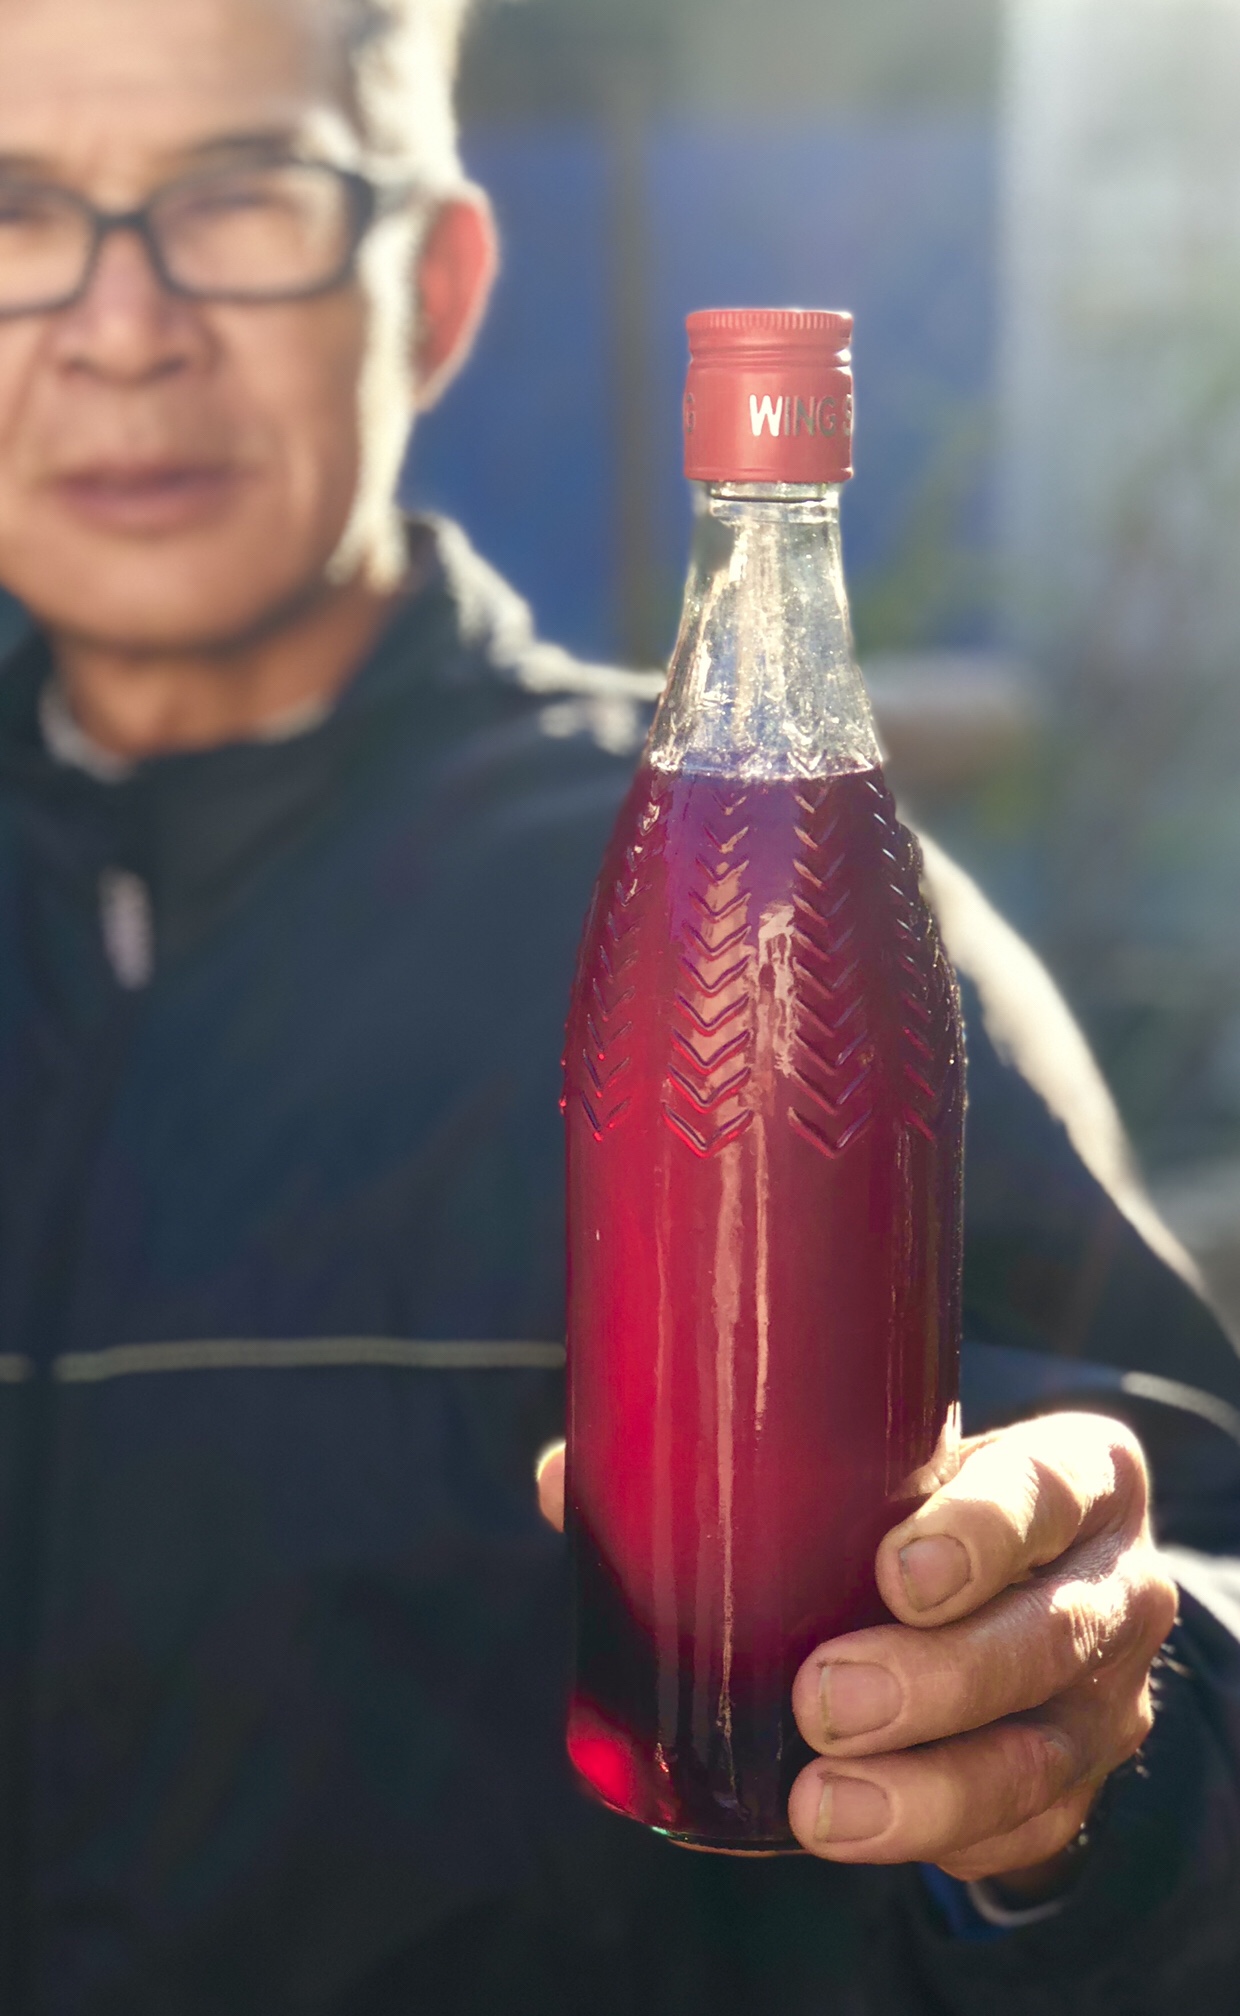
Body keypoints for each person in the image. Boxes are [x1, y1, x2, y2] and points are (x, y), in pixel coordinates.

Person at [0, 0, 1235, 2009]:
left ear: (434, 284)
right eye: (21, 214)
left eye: (242, 198)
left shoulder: (776, 911)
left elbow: (1170, 1568)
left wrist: (1094, 1765)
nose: (120, 327)